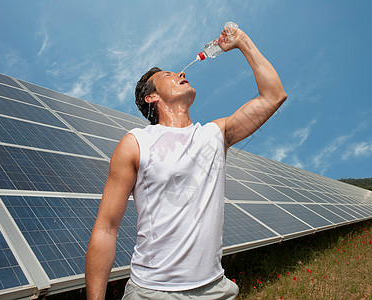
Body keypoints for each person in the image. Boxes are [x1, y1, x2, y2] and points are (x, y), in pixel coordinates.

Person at [85, 25, 287, 299]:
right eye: (168, 75)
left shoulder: (215, 134)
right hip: (152, 292)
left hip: (215, 288)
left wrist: (242, 42)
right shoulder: (135, 143)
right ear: (151, 97)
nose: (181, 74)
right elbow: (106, 228)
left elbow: (274, 96)